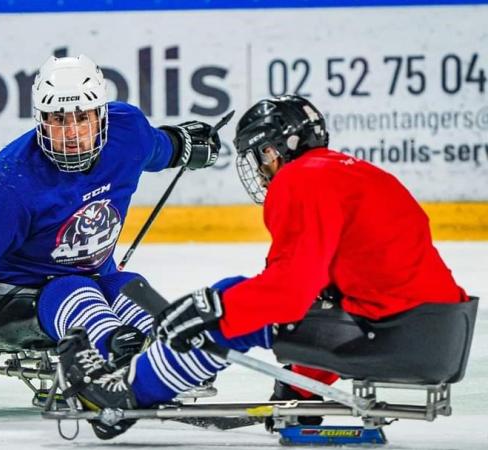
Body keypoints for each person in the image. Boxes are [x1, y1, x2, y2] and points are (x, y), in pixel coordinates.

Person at [57, 94, 472, 438]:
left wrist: (211, 307)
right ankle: (299, 395)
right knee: (242, 302)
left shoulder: (300, 180)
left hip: (390, 334)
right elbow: (324, 296)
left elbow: (289, 293)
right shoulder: (360, 174)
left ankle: (125, 393)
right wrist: (299, 393)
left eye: (259, 156)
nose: (260, 168)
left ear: (273, 150)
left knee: (231, 304)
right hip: (441, 336)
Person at [0, 54, 224, 438]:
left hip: (94, 280)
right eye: (57, 120)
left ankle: (164, 350)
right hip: (6, 303)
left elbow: (155, 147)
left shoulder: (127, 132)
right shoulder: (10, 179)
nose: (71, 132)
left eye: (82, 117)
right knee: (76, 287)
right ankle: (109, 357)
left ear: (101, 116)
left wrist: (183, 143)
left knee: (129, 286)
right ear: (40, 120)